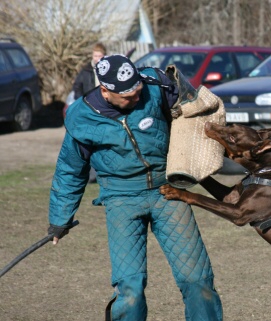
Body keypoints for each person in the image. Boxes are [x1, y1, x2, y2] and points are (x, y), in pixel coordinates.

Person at [48, 54, 223, 321]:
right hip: (121, 198)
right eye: (128, 97)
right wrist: (60, 219)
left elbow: (189, 102)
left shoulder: (154, 86)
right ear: (105, 91)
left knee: (198, 280)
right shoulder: (82, 118)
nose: (136, 99)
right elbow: (70, 170)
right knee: (130, 291)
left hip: (169, 192)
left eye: (138, 91)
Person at [71, 42, 107, 183]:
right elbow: (77, 87)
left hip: (106, 110)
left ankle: (102, 173)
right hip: (90, 110)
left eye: (100, 55)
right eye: (95, 55)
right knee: (89, 142)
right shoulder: (86, 71)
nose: (97, 58)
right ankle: (90, 175)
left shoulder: (108, 70)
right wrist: (82, 102)